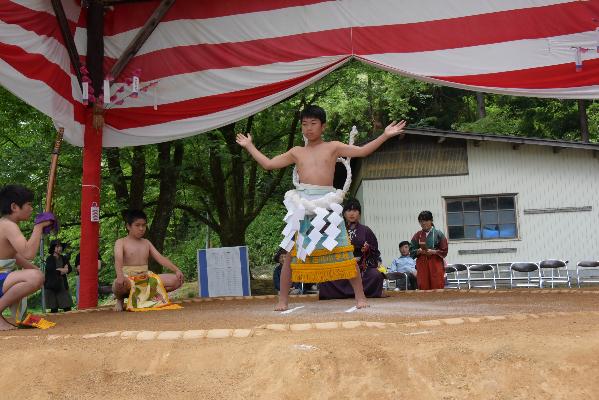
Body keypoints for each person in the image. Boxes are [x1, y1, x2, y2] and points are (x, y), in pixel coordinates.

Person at [237, 105, 405, 310]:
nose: (308, 128)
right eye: (304, 124)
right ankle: (282, 300)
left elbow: (362, 151)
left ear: (323, 126)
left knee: (344, 251)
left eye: (313, 123)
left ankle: (360, 297)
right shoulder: (296, 152)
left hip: (327, 206)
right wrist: (249, 146)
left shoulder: (333, 147)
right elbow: (269, 164)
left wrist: (385, 136)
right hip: (302, 205)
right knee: (290, 254)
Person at [112, 209, 184, 311]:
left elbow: (160, 258)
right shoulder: (121, 242)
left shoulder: (146, 242)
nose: (141, 228)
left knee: (177, 280)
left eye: (144, 225)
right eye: (137, 225)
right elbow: (118, 259)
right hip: (128, 278)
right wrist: (119, 275)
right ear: (128, 226)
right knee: (118, 284)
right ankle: (120, 299)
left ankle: (147, 297)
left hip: (146, 277)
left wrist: (176, 270)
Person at [0, 185, 49, 330]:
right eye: (29, 204)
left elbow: (13, 254)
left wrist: (34, 269)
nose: (31, 209)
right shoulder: (8, 225)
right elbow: (28, 253)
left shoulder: (6, 224)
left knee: (36, 274)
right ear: (14, 206)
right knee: (35, 277)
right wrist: (38, 227)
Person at [318, 198, 384, 299]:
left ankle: (362, 293)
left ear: (359, 213)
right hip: (341, 265)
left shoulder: (366, 230)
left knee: (375, 275)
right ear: (344, 214)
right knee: (325, 276)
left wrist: (368, 249)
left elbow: (375, 252)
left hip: (361, 266)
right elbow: (328, 248)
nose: (352, 213)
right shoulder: (336, 230)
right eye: (349, 210)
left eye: (355, 210)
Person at [409, 211, 448, 290]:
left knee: (437, 284)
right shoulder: (418, 235)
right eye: (421, 221)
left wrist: (434, 251)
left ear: (431, 220)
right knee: (423, 285)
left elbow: (444, 250)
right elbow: (411, 250)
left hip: (435, 262)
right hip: (422, 263)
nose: (423, 223)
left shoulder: (438, 234)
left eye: (426, 221)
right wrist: (418, 251)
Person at [44, 239, 73, 313]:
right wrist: (63, 269)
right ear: (53, 248)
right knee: (54, 308)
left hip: (62, 285)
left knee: (67, 307)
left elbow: (69, 269)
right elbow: (52, 271)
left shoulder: (64, 258)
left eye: (60, 246)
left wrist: (62, 270)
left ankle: (72, 323)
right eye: (57, 246)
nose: (59, 248)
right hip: (52, 285)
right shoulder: (49, 259)